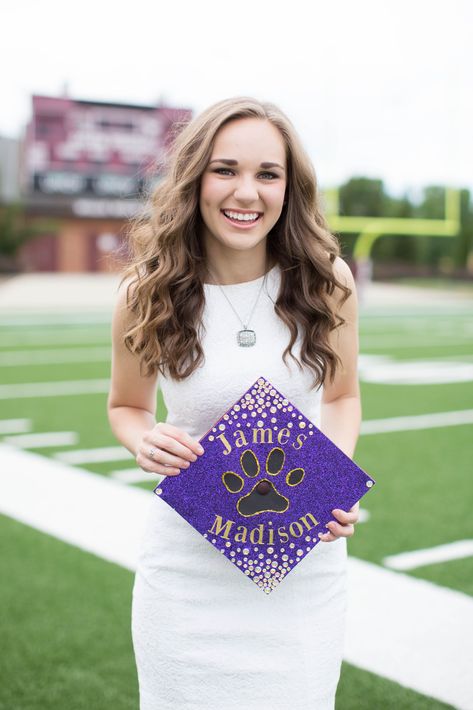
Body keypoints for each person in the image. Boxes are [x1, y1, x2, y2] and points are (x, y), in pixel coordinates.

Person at [107, 96, 361, 710]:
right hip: (187, 572)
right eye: (225, 170)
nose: (246, 192)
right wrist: (144, 438)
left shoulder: (327, 280)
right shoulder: (150, 291)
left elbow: (344, 395)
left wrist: (334, 486)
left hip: (300, 565)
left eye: (266, 174)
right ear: (195, 179)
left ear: (288, 188)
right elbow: (126, 406)